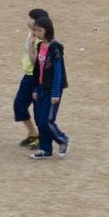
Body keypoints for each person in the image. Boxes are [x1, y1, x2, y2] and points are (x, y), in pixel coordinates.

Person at [29, 15, 71, 160]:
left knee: (47, 120)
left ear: (47, 31)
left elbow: (58, 72)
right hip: (41, 87)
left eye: (39, 30)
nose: (37, 33)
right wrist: (35, 89)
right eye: (36, 30)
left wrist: (55, 93)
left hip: (52, 89)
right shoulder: (40, 46)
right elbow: (38, 70)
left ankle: (62, 139)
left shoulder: (55, 48)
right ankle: (45, 149)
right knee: (40, 119)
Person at [15, 9, 47, 148]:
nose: (28, 21)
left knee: (38, 111)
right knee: (19, 106)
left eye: (31, 19)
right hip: (27, 76)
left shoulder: (40, 40)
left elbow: (36, 63)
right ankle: (33, 133)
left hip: (37, 79)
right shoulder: (31, 34)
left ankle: (43, 138)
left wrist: (30, 46)